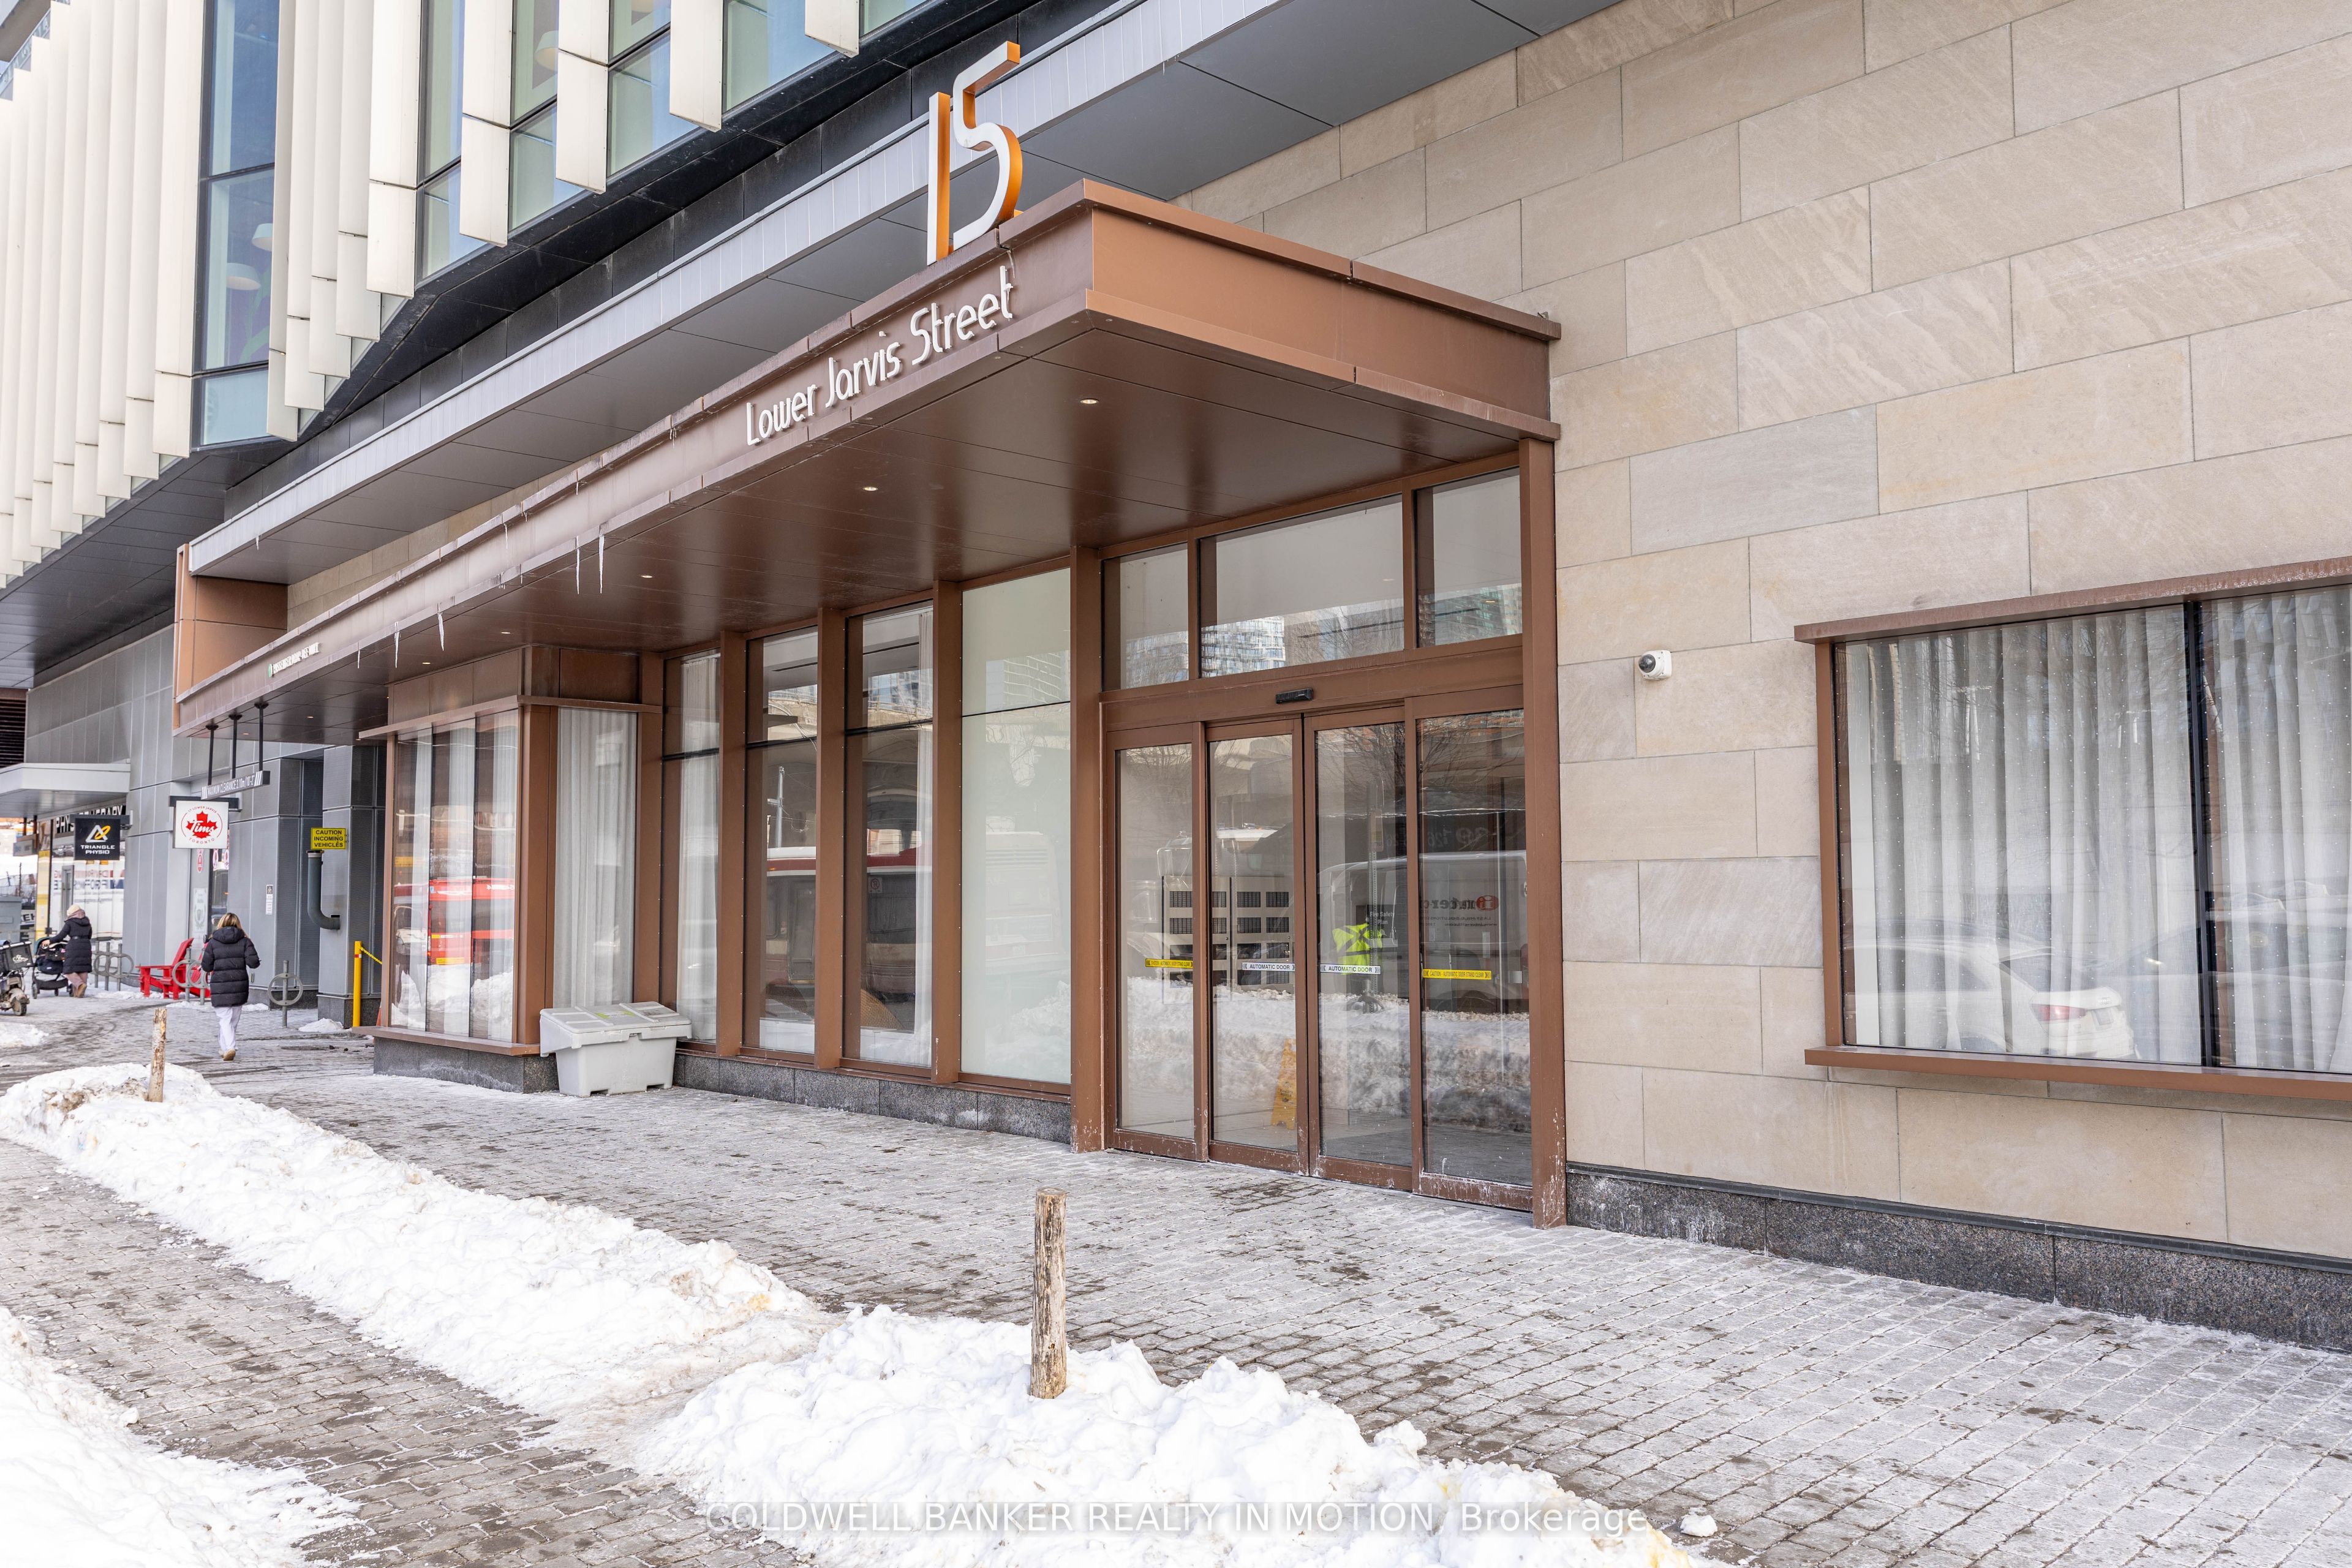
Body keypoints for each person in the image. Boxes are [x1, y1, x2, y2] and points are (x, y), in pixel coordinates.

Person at [201, 913, 260, 1061]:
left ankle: (230, 1047)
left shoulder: (213, 942)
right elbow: (253, 963)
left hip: (220, 985)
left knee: (224, 1019)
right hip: (239, 985)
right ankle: (225, 1048)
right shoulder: (245, 941)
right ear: (238, 924)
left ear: (221, 923)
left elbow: (206, 966)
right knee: (232, 1020)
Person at [59, 905, 92, 997]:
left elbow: (61, 936)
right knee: (83, 968)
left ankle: (80, 985)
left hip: (74, 946)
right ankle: (79, 993)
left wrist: (50, 941)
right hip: (86, 945)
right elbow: (90, 935)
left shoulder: (70, 922)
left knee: (68, 969)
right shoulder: (87, 921)